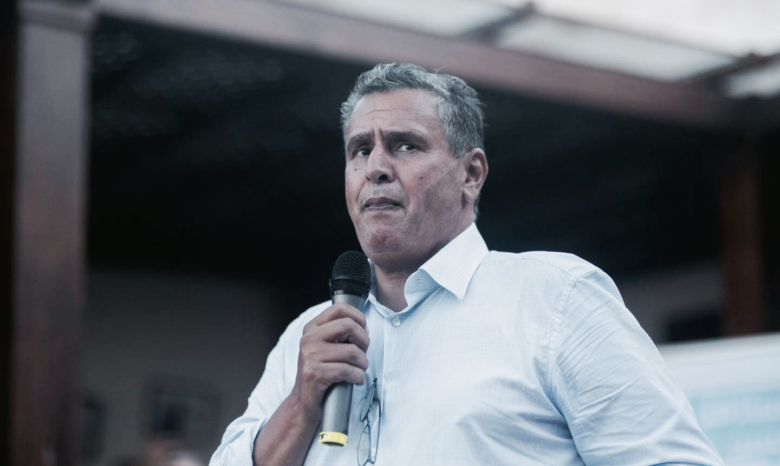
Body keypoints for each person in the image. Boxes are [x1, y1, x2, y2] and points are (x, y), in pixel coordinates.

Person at [210, 63, 723, 465]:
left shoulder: (555, 298)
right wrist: (301, 406)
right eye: (359, 150)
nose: (376, 169)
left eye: (405, 145)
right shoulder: (307, 338)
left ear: (471, 173)